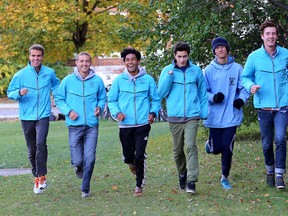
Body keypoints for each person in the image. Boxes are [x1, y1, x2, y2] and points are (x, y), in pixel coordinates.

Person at [7, 44, 60, 194]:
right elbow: (10, 92)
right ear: (29, 56)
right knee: (31, 150)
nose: (36, 58)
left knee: (41, 143)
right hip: (26, 116)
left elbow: (56, 84)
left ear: (42, 57)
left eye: (39, 56)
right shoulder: (21, 75)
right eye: (33, 56)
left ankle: (41, 177)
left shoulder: (49, 72)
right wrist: (19, 92)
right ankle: (36, 174)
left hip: (43, 115)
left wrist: (55, 95)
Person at [241, 19, 288, 189]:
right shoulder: (254, 57)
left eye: (273, 33)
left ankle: (279, 175)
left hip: (282, 106)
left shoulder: (285, 54)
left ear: (277, 36)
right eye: (267, 33)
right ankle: (270, 170)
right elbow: (245, 78)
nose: (271, 36)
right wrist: (250, 86)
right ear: (262, 36)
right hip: (263, 106)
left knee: (280, 139)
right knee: (267, 143)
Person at [108, 47, 161, 197]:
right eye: (127, 60)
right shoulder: (119, 80)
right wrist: (117, 113)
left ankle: (139, 186)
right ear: (124, 62)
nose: (130, 62)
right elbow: (111, 100)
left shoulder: (148, 79)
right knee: (128, 156)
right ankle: (131, 163)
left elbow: (155, 100)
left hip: (143, 124)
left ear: (138, 61)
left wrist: (153, 113)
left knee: (140, 155)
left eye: (133, 59)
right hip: (125, 124)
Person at [157, 41, 208, 194]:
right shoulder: (167, 70)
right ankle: (182, 174)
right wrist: (169, 77)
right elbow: (161, 93)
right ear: (174, 56)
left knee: (190, 146)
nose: (182, 60)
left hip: (192, 115)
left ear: (188, 56)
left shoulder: (196, 71)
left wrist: (203, 113)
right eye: (179, 56)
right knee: (178, 151)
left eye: (185, 56)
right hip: (174, 116)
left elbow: (202, 93)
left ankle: (192, 181)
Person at [55, 52, 106, 198]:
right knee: (78, 160)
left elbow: (102, 98)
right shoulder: (67, 81)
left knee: (90, 158)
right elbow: (59, 98)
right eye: (81, 61)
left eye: (87, 61)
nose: (84, 64)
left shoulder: (97, 81)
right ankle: (78, 166)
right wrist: (68, 111)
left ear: (90, 63)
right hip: (74, 125)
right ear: (76, 63)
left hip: (91, 125)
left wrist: (99, 107)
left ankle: (85, 188)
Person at [203, 37, 250, 190]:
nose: (220, 50)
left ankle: (224, 177)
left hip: (231, 115)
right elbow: (204, 92)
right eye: (217, 48)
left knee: (227, 147)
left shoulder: (237, 68)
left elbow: (244, 88)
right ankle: (210, 145)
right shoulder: (208, 70)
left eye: (222, 47)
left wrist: (241, 100)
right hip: (215, 116)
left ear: (227, 49)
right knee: (216, 148)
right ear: (214, 51)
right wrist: (213, 97)